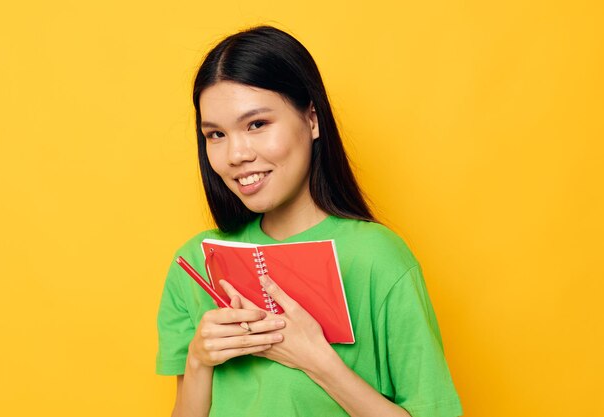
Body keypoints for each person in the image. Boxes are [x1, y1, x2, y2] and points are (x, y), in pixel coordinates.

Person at [156, 25, 463, 417]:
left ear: (313, 120)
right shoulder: (195, 263)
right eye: (215, 134)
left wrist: (317, 360)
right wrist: (199, 361)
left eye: (256, 124)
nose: (235, 155)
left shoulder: (377, 259)